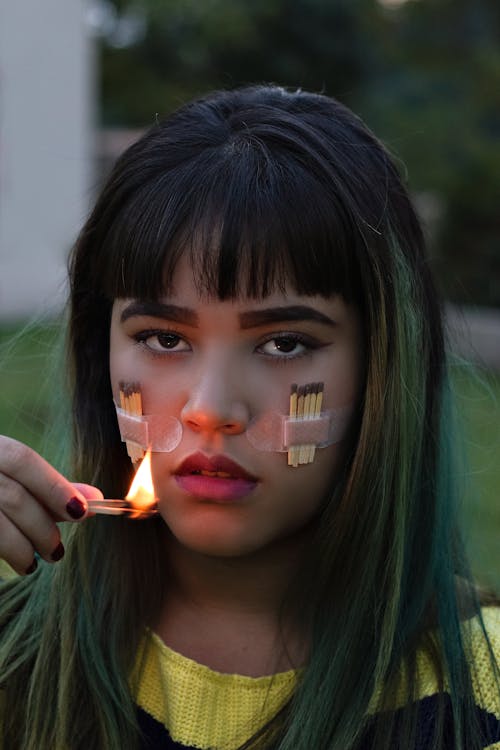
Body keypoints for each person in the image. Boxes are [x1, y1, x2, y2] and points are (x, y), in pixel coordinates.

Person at [0, 85, 498, 750]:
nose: (211, 410)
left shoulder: (477, 695)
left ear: (386, 368)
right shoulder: (16, 664)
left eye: (284, 343)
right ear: (101, 352)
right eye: (164, 338)